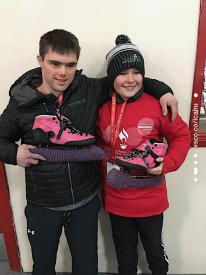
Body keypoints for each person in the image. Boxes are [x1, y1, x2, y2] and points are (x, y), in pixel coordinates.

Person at [0, 29, 178, 275]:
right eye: (55, 63)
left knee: (86, 268)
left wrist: (164, 90)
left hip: (85, 201)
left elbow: (127, 79)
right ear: (40, 59)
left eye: (70, 65)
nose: (63, 72)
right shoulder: (21, 101)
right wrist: (14, 153)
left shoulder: (89, 89)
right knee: (42, 268)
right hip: (43, 203)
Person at [97, 34, 191, 275]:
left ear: (144, 76)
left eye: (136, 72)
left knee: (155, 256)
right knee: (125, 258)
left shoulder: (158, 105)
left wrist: (168, 162)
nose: (130, 79)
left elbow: (182, 136)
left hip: (151, 201)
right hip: (117, 202)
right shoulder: (102, 108)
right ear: (111, 78)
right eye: (122, 73)